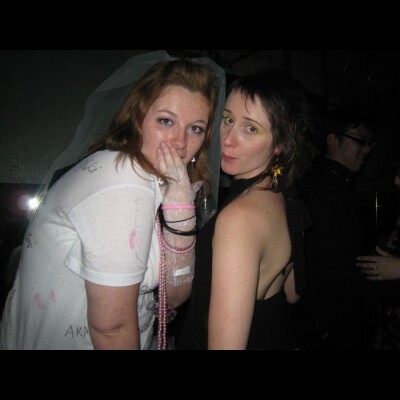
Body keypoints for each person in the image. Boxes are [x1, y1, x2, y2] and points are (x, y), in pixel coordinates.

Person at [0, 58, 222, 350]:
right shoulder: (124, 179)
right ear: (138, 118)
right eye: (166, 121)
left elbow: (175, 296)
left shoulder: (164, 186)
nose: (180, 142)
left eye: (195, 128)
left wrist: (180, 211)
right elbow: (111, 329)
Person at [177, 69, 317, 350]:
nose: (228, 138)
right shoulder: (282, 194)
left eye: (251, 128)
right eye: (228, 119)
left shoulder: (240, 218)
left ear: (280, 144)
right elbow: (292, 293)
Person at [294, 107, 378, 350]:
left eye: (369, 143)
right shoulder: (327, 189)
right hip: (331, 320)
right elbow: (336, 264)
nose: (366, 149)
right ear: (333, 139)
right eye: (360, 141)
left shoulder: (337, 184)